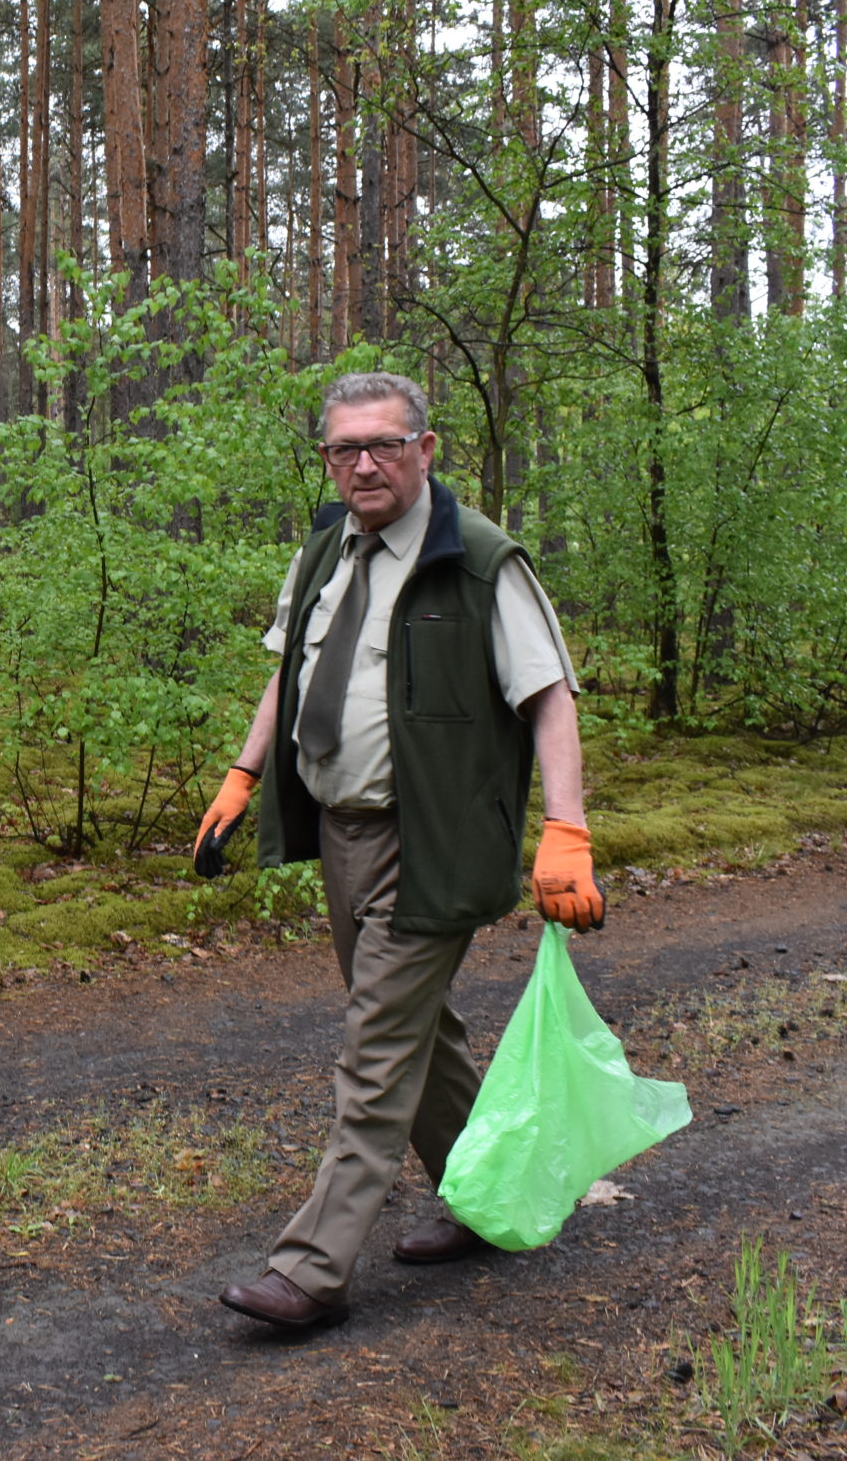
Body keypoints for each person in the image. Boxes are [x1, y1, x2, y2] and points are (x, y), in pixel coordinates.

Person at [195, 370, 603, 1336]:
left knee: (376, 1047)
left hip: (436, 839)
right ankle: (486, 1194)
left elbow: (549, 695)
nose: (365, 465)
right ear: (327, 459)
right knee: (419, 1031)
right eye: (346, 449)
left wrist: (567, 828)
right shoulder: (324, 551)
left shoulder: (480, 561)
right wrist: (242, 776)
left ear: (425, 449)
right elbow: (289, 676)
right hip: (343, 833)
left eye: (384, 444)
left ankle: (312, 1269)